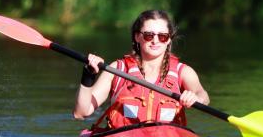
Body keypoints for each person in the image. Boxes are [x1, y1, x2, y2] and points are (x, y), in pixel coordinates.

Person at [73, 10, 209, 130]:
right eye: (149, 35)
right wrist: (88, 75)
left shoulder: (183, 72)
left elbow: (203, 96)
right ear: (137, 37)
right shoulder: (117, 69)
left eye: (162, 36)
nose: (155, 41)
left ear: (169, 40)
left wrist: (196, 98)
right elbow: (81, 112)